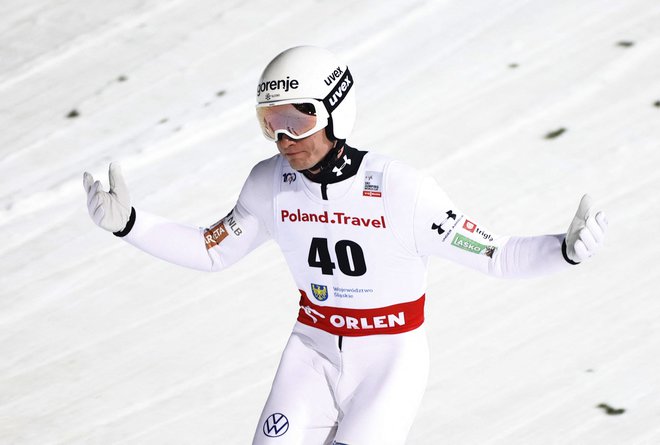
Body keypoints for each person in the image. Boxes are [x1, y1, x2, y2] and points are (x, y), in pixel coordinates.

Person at [83, 46, 608, 445]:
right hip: (311, 350)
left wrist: (565, 250)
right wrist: (128, 222)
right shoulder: (268, 183)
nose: (285, 139)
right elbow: (212, 249)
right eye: (270, 124)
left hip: (388, 361)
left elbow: (497, 255)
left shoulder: (401, 189)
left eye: (297, 119)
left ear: (336, 110)